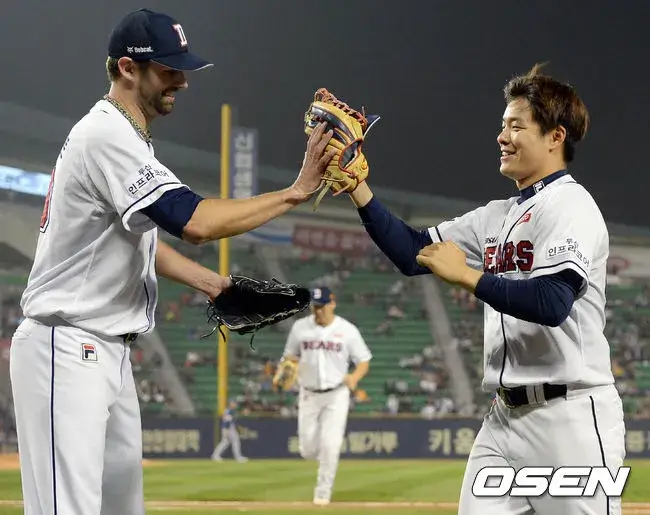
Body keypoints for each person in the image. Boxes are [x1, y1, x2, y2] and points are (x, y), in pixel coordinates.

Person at [9, 8, 335, 515]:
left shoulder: (125, 135)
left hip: (105, 350)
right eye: (167, 69)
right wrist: (296, 191)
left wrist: (213, 285)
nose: (182, 81)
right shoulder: (106, 135)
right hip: (67, 345)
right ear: (126, 68)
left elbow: (133, 241)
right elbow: (196, 222)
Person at [344, 64, 625, 514]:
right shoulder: (496, 214)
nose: (502, 136)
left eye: (516, 126)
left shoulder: (572, 205)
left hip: (569, 415)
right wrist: (359, 189)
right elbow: (413, 253)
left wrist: (468, 276)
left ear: (555, 136)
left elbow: (553, 302)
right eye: (502, 125)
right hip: (503, 418)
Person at [277, 286, 372, 506]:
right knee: (307, 449)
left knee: (331, 445)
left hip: (336, 394)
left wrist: (354, 377)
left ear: (332, 304)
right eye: (315, 307)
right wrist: (286, 371)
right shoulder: (300, 328)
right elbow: (290, 356)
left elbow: (364, 359)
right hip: (308, 393)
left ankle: (322, 493)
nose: (318, 311)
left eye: (322, 306)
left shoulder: (347, 330)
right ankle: (324, 457)